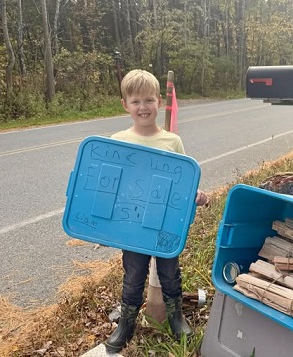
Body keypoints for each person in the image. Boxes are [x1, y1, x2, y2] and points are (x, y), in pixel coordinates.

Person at [105, 69, 209, 353]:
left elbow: (183, 181)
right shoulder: (118, 141)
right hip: (133, 226)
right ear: (125, 104)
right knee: (134, 274)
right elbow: (112, 189)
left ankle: (175, 318)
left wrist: (195, 195)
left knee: (169, 271)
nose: (143, 107)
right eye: (136, 101)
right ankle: (126, 324)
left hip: (164, 223)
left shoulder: (171, 141)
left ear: (159, 102)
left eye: (149, 100)